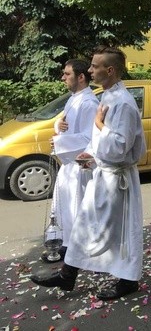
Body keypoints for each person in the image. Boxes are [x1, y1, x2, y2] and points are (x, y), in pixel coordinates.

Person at [31, 46, 146, 300]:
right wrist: (90, 155)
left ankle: (128, 280)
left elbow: (119, 145)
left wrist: (100, 125)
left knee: (121, 230)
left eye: (94, 66)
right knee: (85, 225)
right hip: (103, 174)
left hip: (118, 179)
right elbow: (100, 142)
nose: (90, 70)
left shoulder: (123, 103)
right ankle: (67, 275)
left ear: (110, 70)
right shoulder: (107, 96)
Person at [40, 59, 99, 263]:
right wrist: (58, 126)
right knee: (64, 209)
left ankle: (76, 251)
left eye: (67, 74)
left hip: (79, 167)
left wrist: (59, 142)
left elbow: (89, 138)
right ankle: (65, 245)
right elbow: (67, 124)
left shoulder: (89, 103)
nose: (63, 77)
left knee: (76, 210)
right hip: (68, 166)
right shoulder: (74, 98)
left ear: (80, 77)